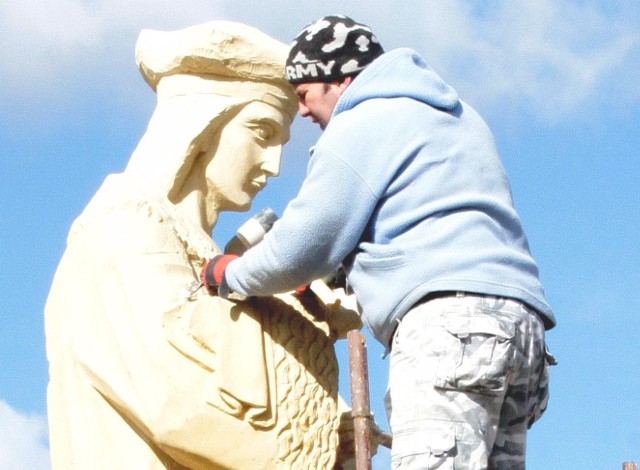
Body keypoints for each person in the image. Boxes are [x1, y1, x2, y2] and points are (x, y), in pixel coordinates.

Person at [201, 14, 557, 469]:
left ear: (341, 79)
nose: (304, 112)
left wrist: (230, 273)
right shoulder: (455, 116)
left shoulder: (364, 120)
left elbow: (302, 246)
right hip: (521, 331)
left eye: (304, 95)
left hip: (449, 326)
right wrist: (348, 272)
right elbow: (428, 221)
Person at [45, 21, 347, 469]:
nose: (274, 165)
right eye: (262, 133)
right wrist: (323, 427)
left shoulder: (192, 251)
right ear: (204, 124)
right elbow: (180, 402)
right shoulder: (124, 231)